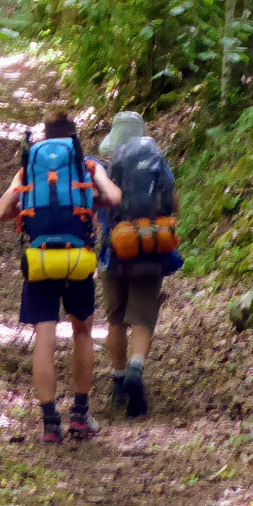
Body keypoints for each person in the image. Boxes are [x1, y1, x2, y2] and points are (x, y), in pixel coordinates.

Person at [0, 110, 121, 444]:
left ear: (45, 138)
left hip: (39, 262)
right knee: (82, 333)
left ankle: (50, 423)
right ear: (73, 136)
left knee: (44, 339)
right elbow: (115, 197)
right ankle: (80, 416)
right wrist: (90, 200)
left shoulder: (29, 168)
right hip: (78, 259)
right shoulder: (87, 166)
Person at [96, 110, 181, 419]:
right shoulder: (157, 160)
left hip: (116, 249)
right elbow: (172, 204)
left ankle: (119, 380)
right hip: (151, 246)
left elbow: (101, 207)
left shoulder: (109, 166)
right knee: (143, 318)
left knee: (116, 319)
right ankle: (136, 368)